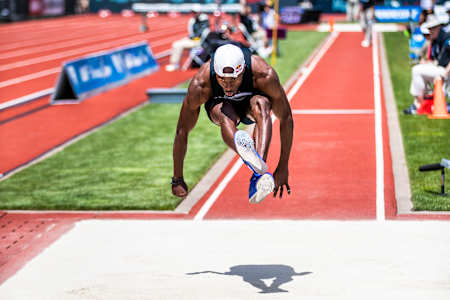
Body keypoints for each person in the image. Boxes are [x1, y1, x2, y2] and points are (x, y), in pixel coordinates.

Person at [171, 43, 293, 203]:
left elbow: (286, 117)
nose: (228, 86)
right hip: (220, 108)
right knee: (226, 111)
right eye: (222, 80)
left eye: (233, 80)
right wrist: (177, 178)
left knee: (262, 104)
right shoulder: (200, 84)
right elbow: (182, 130)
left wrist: (283, 166)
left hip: (251, 105)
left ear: (242, 71)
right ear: (215, 74)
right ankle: (247, 154)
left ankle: (258, 171)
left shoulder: (264, 74)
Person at [404, 15, 450, 114]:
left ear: (438, 27)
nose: (430, 31)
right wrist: (429, 63)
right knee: (417, 70)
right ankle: (419, 103)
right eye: (429, 29)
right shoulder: (436, 40)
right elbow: (438, 59)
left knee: (416, 70)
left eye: (432, 29)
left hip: (445, 71)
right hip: (440, 68)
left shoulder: (447, 38)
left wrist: (446, 72)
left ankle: (419, 104)